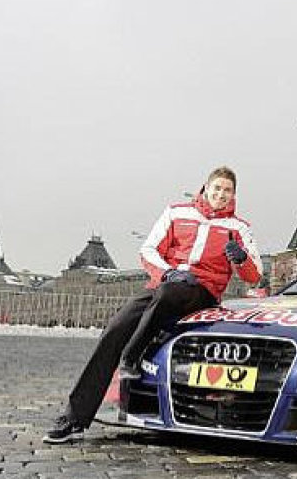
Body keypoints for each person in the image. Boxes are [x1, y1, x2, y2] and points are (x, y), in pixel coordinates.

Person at [43, 166, 263, 444]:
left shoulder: (239, 228)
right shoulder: (176, 212)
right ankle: (74, 418)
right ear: (205, 188)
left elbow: (254, 275)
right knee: (116, 328)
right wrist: (167, 272)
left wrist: (240, 259)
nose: (221, 194)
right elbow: (148, 250)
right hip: (164, 284)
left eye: (227, 191)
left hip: (202, 290)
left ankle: (132, 356)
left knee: (171, 293)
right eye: (217, 188)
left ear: (233, 195)